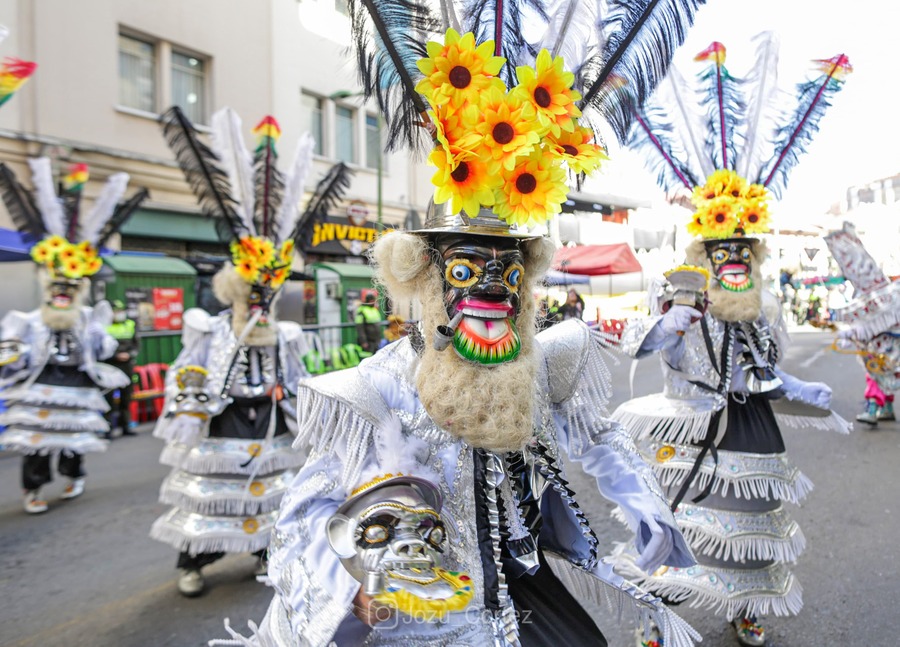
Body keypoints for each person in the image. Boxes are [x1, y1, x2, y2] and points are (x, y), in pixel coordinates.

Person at [210, 17, 711, 647]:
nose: (493, 288)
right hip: (424, 615)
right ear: (424, 278)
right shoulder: (380, 387)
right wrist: (349, 584)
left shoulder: (537, 364)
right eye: (467, 269)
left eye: (508, 271)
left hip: (521, 589)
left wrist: (642, 504)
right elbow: (308, 509)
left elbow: (596, 437)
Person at [613, 37, 851, 646]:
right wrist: (667, 326)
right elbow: (637, 343)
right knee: (673, 527)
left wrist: (797, 386)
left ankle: (743, 610)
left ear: (754, 255)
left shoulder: (766, 307)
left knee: (746, 531)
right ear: (705, 253)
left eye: (742, 251)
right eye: (723, 251)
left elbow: (768, 368)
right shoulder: (679, 296)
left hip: (748, 429)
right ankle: (657, 617)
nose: (733, 260)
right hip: (684, 429)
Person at [150, 107, 314, 597]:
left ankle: (268, 554)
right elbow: (188, 370)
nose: (260, 303)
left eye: (266, 294)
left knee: (273, 496)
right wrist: (191, 406)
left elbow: (298, 376)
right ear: (235, 291)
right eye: (252, 294)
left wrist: (297, 401)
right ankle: (194, 561)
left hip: (268, 418)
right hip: (223, 420)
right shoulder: (209, 328)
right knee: (214, 494)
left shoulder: (285, 334)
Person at [0, 159, 147, 513]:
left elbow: (104, 346)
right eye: (57, 287)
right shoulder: (29, 319)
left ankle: (73, 475)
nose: (62, 294)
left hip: (76, 381)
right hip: (42, 382)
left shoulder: (85, 318)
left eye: (70, 288)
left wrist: (99, 331)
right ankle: (32, 489)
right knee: (37, 443)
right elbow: (12, 354)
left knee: (72, 440)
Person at [825, 222, 900, 429]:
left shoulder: (888, 292)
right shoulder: (877, 291)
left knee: (878, 374)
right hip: (881, 345)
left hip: (886, 345)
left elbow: (871, 323)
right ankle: (885, 408)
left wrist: (849, 332)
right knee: (882, 374)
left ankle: (873, 409)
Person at [104, 299, 140, 437]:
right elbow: (100, 348)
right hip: (110, 365)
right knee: (109, 398)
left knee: (126, 397)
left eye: (120, 311)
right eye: (115, 311)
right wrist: (115, 355)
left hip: (126, 365)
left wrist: (129, 354)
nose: (119, 314)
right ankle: (108, 428)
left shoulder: (130, 324)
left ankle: (125, 426)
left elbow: (136, 345)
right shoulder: (103, 326)